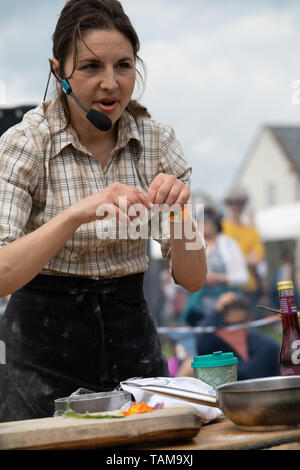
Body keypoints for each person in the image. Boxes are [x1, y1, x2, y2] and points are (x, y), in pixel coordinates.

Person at [0, 0, 206, 423]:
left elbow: (193, 278)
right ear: (59, 72)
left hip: (133, 344)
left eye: (123, 66)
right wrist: (77, 213)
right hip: (41, 351)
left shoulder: (156, 141)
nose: (111, 84)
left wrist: (181, 215)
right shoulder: (26, 143)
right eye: (91, 67)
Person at [178, 291, 280, 379]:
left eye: (239, 324)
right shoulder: (216, 346)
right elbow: (200, 338)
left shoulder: (268, 347)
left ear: (250, 320)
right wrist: (217, 309)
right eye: (229, 325)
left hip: (262, 397)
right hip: (225, 398)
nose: (233, 331)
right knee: (189, 365)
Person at [180, 206, 249, 326]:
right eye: (202, 221)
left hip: (228, 303)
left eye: (208, 221)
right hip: (198, 307)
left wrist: (220, 278)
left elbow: (243, 277)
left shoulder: (229, 244)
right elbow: (179, 280)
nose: (205, 224)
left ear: (216, 224)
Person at [222, 187, 266, 313]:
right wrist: (245, 257)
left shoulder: (252, 231)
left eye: (241, 203)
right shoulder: (221, 227)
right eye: (234, 202)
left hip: (248, 289)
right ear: (228, 205)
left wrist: (232, 258)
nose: (238, 206)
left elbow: (256, 259)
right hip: (226, 288)